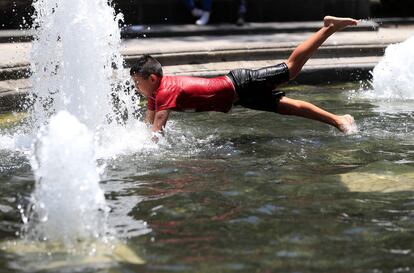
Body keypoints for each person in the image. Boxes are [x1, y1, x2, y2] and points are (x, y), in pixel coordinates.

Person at [130, 16, 358, 142]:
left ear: (152, 78)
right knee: (288, 108)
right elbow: (148, 126)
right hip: (238, 97)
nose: (136, 87)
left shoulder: (165, 91)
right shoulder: (155, 95)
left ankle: (327, 28)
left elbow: (157, 131)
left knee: (291, 68)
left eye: (137, 82)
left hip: (241, 83)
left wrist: (147, 152)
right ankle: (340, 120)